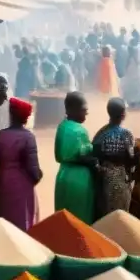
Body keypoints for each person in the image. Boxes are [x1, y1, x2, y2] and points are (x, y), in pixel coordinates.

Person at [0, 98, 42, 231]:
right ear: (26, 118)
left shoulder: (0, 135)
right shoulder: (28, 137)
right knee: (20, 224)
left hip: (0, 183)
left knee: (1, 223)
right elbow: (34, 171)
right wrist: (36, 177)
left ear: (11, 115)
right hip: (21, 186)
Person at [54, 92, 98, 223]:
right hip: (80, 181)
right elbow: (83, 155)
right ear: (72, 110)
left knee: (63, 220)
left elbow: (60, 155)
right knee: (80, 220)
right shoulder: (80, 131)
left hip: (63, 176)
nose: (86, 113)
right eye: (84, 110)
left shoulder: (62, 127)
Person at [92, 98, 136, 217]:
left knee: (106, 216)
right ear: (123, 115)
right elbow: (132, 159)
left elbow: (94, 156)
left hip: (104, 179)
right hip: (121, 178)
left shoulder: (100, 134)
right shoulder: (127, 135)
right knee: (121, 216)